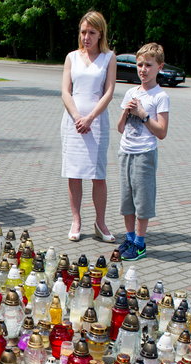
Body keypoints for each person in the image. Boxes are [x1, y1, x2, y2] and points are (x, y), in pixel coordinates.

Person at [60, 11, 117, 243]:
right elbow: (65, 90)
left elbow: (109, 91)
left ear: (100, 33)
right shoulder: (71, 57)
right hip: (73, 123)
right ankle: (76, 221)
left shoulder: (109, 57)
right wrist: (77, 117)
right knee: (74, 174)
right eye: (83, 32)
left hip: (97, 123)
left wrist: (91, 117)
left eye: (91, 32)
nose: (86, 37)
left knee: (98, 175)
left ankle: (100, 222)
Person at [115, 42, 170, 261]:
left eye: (148, 65)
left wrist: (143, 114)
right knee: (126, 200)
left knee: (142, 200)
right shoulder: (130, 91)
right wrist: (127, 112)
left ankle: (140, 242)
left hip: (144, 154)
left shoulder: (160, 96)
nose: (143, 70)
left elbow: (162, 132)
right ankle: (129, 238)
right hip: (125, 151)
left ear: (159, 67)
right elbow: (120, 128)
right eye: (139, 64)